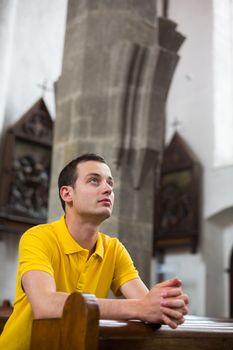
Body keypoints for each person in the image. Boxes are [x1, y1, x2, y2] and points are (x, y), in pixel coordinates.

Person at [0, 153, 189, 350]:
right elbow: (45, 305)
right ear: (67, 194)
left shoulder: (114, 249)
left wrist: (167, 306)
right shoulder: (38, 237)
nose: (107, 189)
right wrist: (140, 308)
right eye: (94, 181)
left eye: (110, 183)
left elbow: (147, 304)